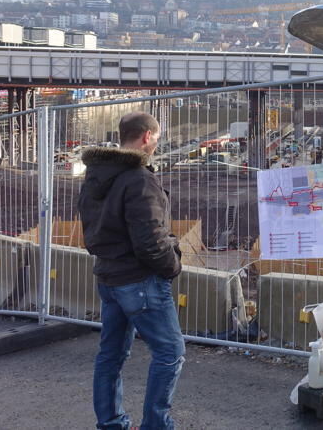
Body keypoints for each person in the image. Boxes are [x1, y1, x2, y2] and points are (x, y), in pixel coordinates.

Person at [77, 111, 185, 430]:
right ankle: (156, 425)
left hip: (108, 276)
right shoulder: (139, 178)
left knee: (111, 355)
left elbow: (94, 228)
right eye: (157, 138)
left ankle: (111, 422)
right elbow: (150, 240)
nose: (157, 143)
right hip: (139, 281)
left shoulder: (97, 175)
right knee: (170, 352)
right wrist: (172, 265)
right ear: (147, 137)